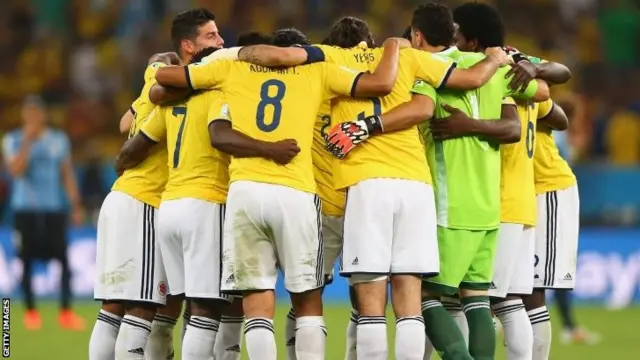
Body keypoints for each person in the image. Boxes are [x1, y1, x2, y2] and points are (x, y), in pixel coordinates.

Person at [155, 36, 403, 360]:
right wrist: (393, 45)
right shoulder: (319, 71)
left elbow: (164, 77)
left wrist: (232, 53)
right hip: (295, 193)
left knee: (257, 300)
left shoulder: (232, 67)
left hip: (245, 191)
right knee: (307, 300)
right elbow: (382, 83)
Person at [320, 8, 510, 360]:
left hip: (369, 185)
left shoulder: (326, 63)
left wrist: (361, 126)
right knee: (411, 298)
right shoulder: (406, 57)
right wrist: (495, 58)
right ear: (370, 43)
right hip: (416, 185)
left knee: (372, 302)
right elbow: (462, 84)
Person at [89, 8, 225, 360]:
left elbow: (123, 123)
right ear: (188, 46)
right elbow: (132, 137)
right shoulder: (187, 84)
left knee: (116, 308)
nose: (221, 41)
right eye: (211, 36)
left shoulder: (156, 74)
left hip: (125, 198)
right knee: (142, 308)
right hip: (145, 200)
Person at [2, 95, 85, 331]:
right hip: (24, 210)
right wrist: (28, 143)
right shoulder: (13, 140)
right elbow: (16, 171)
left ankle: (66, 312)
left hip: (53, 209)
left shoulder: (58, 140)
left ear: (43, 115)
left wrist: (75, 206)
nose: (34, 118)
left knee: (63, 260)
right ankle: (30, 312)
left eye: (37, 113)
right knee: (25, 261)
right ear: (24, 116)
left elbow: (66, 173)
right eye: (29, 113)